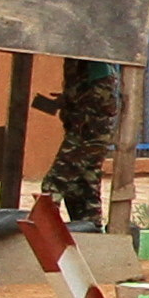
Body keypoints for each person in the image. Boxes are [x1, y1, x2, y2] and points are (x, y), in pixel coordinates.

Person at [37, 57, 125, 233]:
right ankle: (91, 238)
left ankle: (41, 235)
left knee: (54, 184)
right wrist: (66, 100)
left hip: (87, 136)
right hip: (87, 134)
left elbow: (102, 101)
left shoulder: (95, 64)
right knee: (83, 190)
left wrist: (72, 98)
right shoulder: (83, 62)